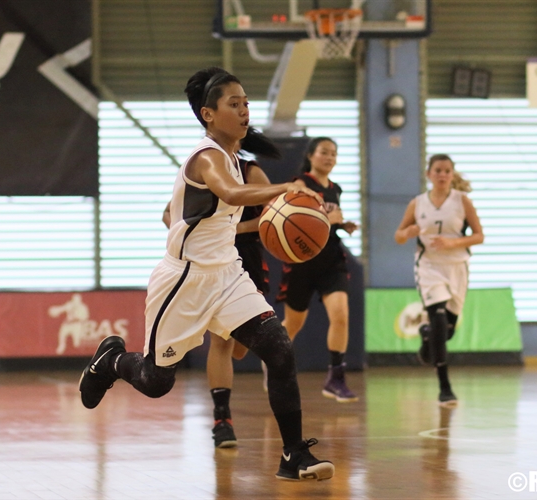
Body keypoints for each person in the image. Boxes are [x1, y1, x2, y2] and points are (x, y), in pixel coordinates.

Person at [79, 67, 335, 481]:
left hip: (227, 275)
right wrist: (285, 189)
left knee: (279, 348)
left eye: (247, 103)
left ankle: (292, 455)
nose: (244, 110)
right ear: (208, 114)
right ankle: (111, 362)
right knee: (155, 380)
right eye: (234, 104)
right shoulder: (207, 157)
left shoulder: (237, 159)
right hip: (184, 279)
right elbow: (231, 196)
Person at [161, 128, 277, 449]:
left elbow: (275, 215)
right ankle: (222, 419)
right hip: (212, 262)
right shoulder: (203, 165)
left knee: (239, 346)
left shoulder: (251, 171)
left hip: (247, 258)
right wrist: (189, 232)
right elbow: (168, 212)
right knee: (222, 342)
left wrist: (236, 227)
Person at [394, 154, 484, 406]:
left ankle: (426, 338)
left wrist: (453, 242)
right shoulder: (417, 203)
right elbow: (398, 236)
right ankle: (445, 387)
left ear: (452, 175)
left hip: (456, 267)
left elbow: (479, 235)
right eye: (438, 170)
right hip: (429, 267)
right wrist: (407, 232)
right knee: (439, 318)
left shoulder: (462, 201)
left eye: (446, 171)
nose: (442, 175)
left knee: (448, 331)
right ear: (429, 174)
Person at [274, 137, 359, 403]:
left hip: (331, 260)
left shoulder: (336, 189)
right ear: (311, 155)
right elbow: (293, 218)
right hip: (302, 261)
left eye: (334, 153)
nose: (330, 157)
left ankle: (336, 378)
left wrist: (341, 225)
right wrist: (326, 217)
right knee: (294, 324)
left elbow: (326, 224)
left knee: (341, 316)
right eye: (324, 152)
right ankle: (272, 359)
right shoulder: (301, 184)